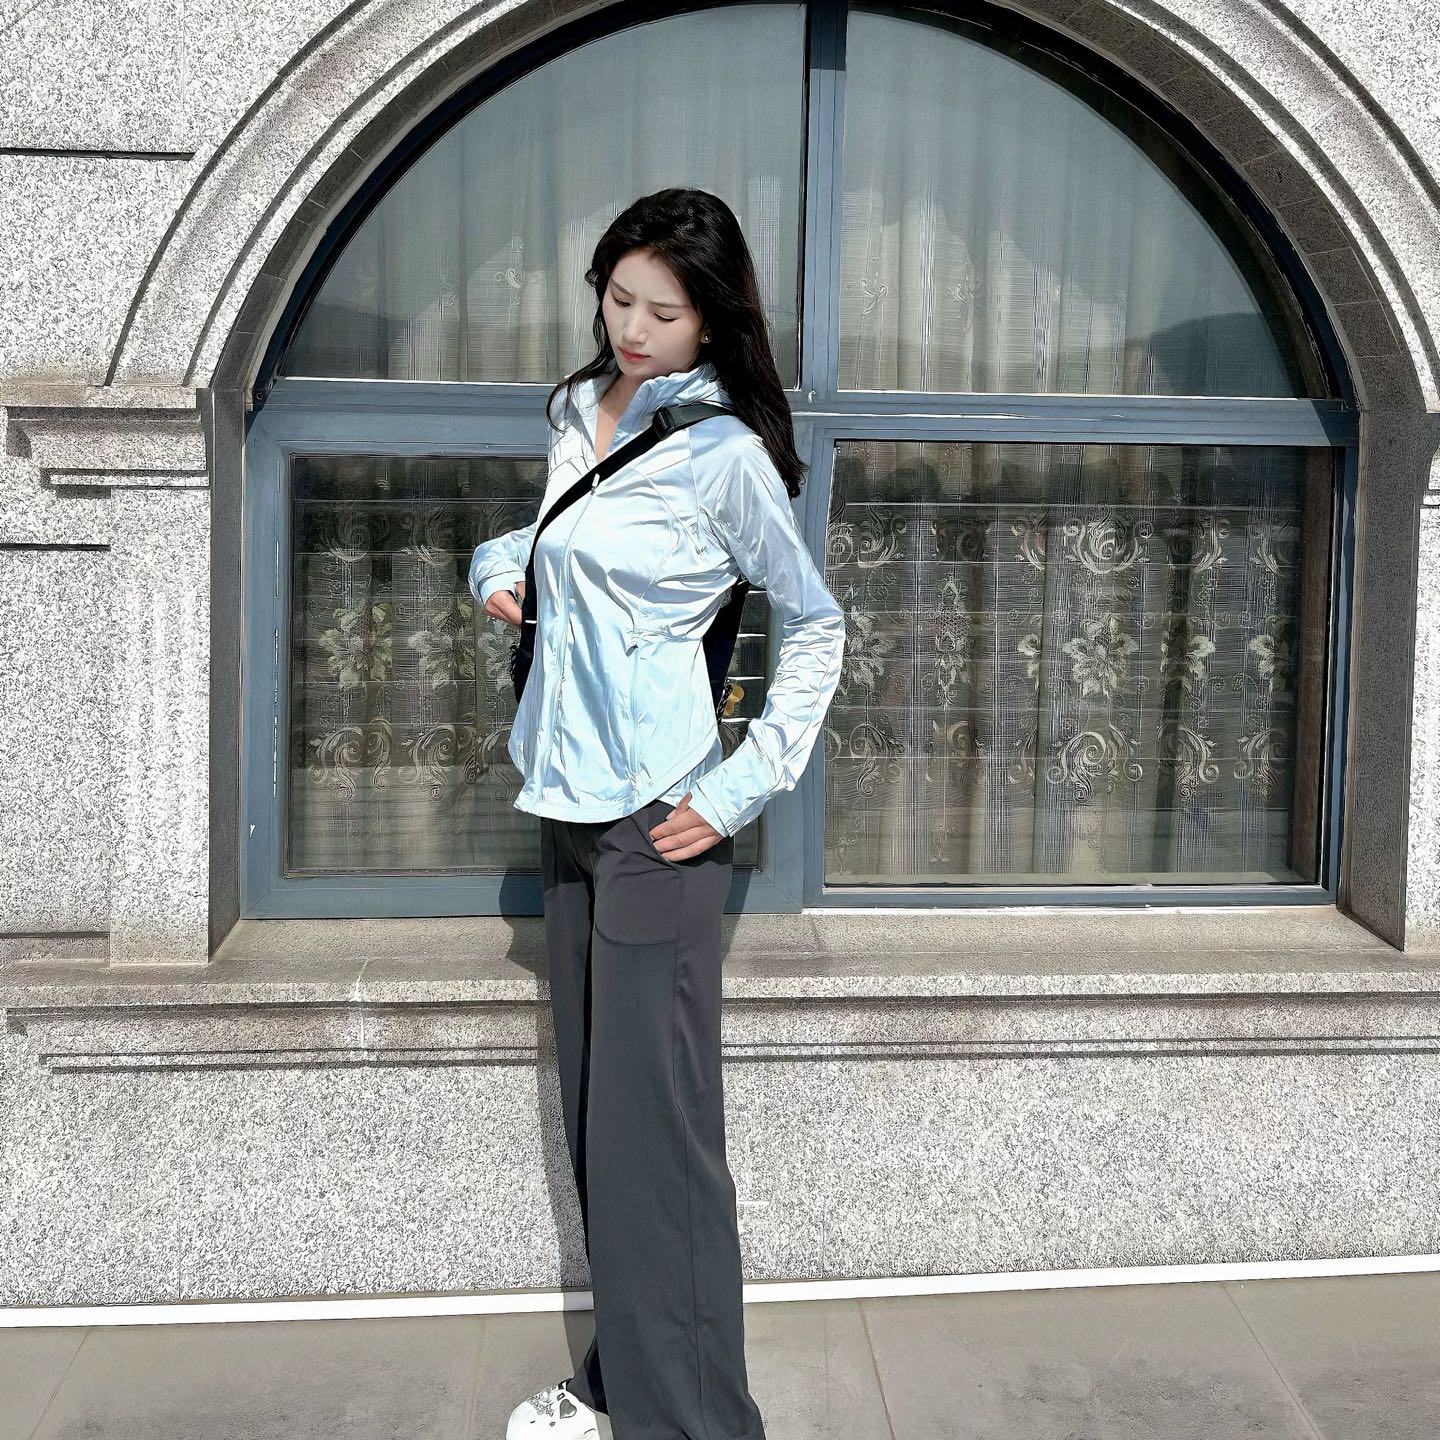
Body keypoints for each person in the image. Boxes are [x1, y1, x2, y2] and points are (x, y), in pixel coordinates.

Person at [470, 187, 846, 1440]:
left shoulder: (724, 456)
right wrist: (497, 566)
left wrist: (738, 786)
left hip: (655, 823)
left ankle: (696, 1425)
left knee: (660, 1145)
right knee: (602, 1124)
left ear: (712, 322)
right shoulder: (580, 409)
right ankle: (624, 1383)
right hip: (565, 799)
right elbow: (556, 540)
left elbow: (817, 627)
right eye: (618, 299)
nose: (632, 328)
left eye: (662, 312)